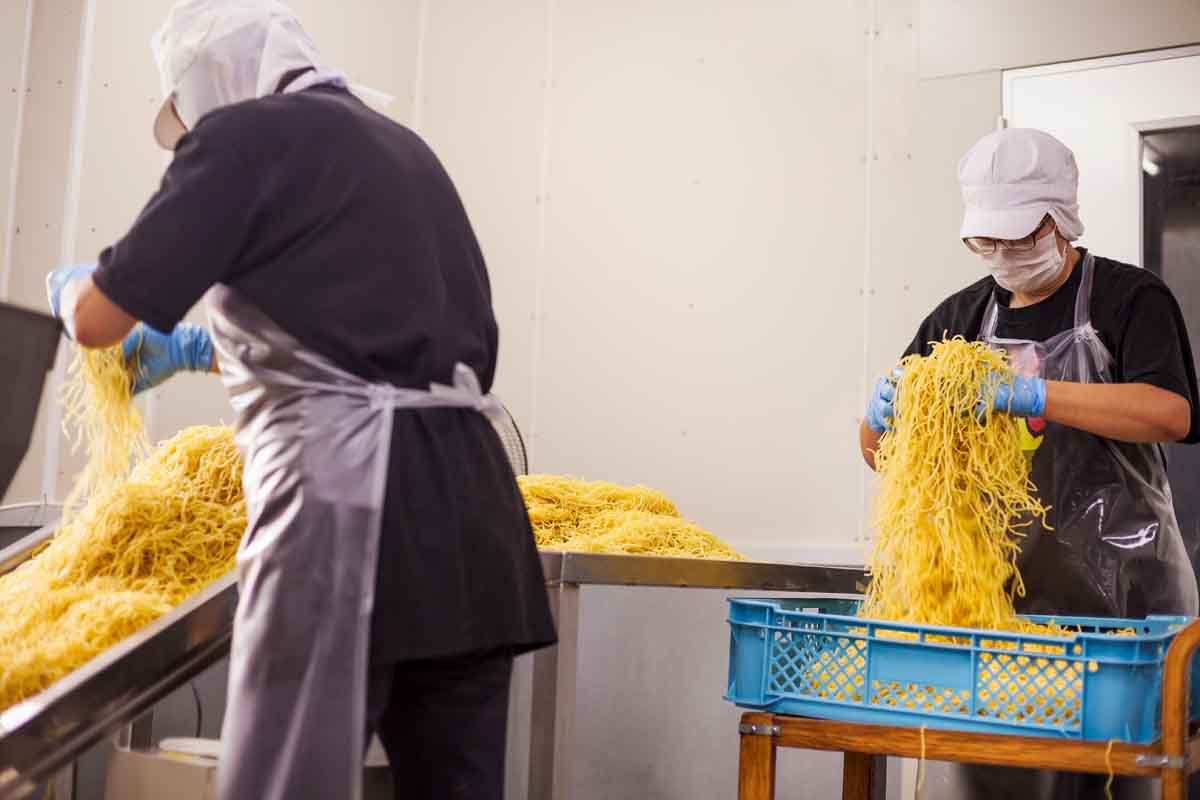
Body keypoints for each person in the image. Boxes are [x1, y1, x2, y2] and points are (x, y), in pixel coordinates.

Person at [45, 2, 556, 799]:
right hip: (473, 523)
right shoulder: (404, 150)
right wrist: (193, 350)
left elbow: (96, 322)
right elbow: (360, 341)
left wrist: (75, 288)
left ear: (208, 85)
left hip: (348, 516)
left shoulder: (240, 138)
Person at [859, 128, 1200, 800]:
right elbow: (881, 457)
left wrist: (1033, 394)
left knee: (1123, 779)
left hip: (1121, 614)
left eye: (1019, 238)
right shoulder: (957, 318)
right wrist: (878, 417)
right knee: (997, 783)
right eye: (988, 242)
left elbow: (1171, 413)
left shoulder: (1129, 300)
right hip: (995, 618)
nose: (1004, 255)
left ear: (1060, 219)